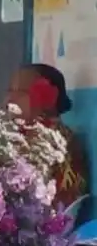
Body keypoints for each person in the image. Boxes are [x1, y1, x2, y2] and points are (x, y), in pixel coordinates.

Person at [8, 63, 90, 207]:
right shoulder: (17, 137)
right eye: (9, 91)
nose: (9, 100)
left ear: (47, 97)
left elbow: (59, 210)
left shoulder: (61, 145)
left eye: (20, 93)